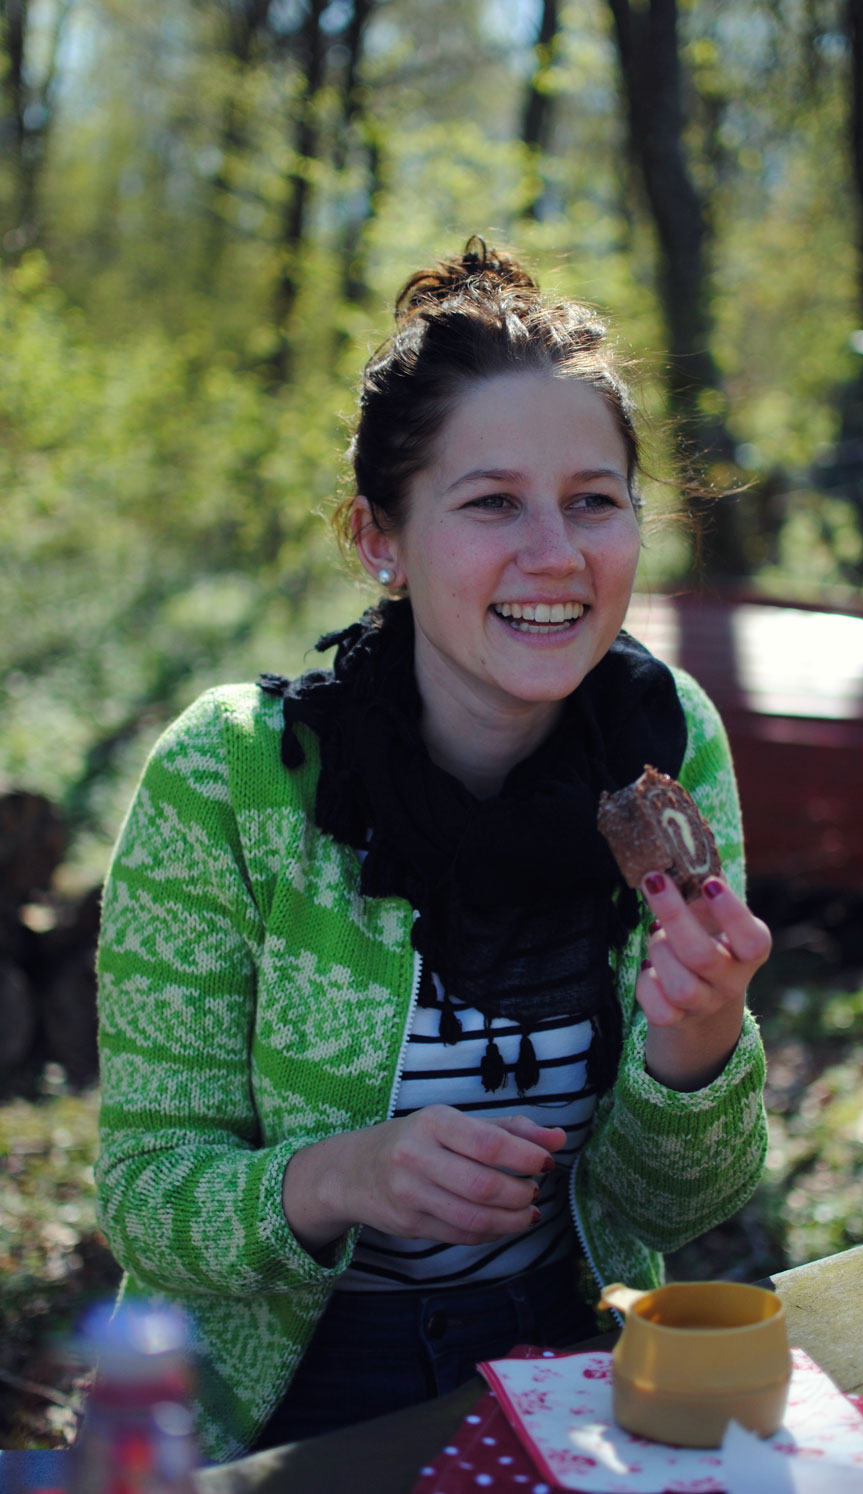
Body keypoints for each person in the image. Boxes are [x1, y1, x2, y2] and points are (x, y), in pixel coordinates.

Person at [94, 236, 771, 1464]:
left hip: (578, 1357)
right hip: (279, 1395)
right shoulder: (236, 778)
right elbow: (146, 1197)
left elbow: (678, 1206)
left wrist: (697, 1045)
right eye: (490, 502)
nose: (556, 553)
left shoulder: (664, 746)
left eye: (592, 501)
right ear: (379, 540)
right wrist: (338, 1180)